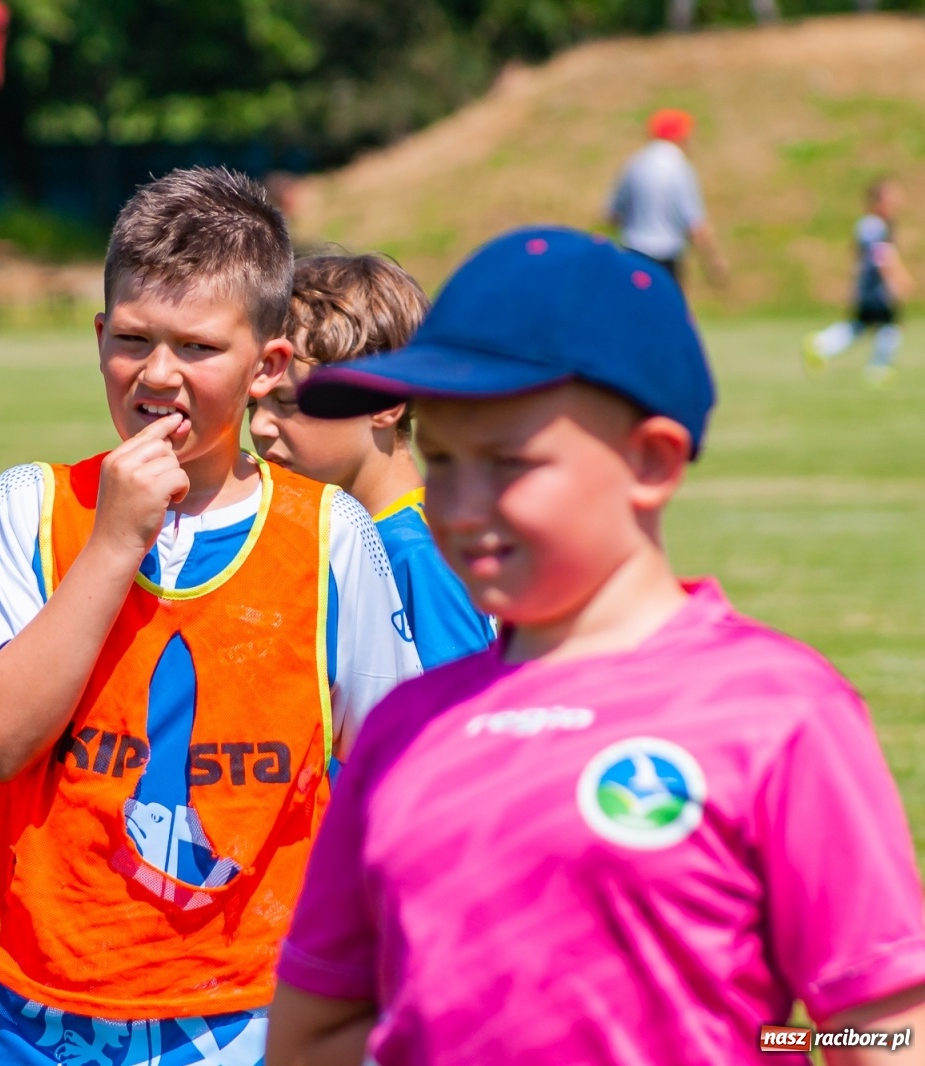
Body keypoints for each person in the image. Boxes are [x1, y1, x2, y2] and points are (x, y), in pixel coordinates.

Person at [267, 228, 925, 1066]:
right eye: (445, 461)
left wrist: (742, 1036)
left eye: (509, 463)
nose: (460, 505)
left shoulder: (781, 714)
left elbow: (883, 1031)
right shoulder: (403, 728)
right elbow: (318, 1029)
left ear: (651, 462)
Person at [0, 167, 419, 1066]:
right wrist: (112, 544)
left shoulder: (331, 537)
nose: (157, 374)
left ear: (267, 366)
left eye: (197, 348)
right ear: (99, 338)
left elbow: (393, 775)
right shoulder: (28, 508)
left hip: (244, 1013)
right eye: (132, 339)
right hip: (36, 1012)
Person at [249, 253, 492, 670]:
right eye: (253, 405)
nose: (260, 426)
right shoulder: (363, 535)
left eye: (288, 402)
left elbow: (460, 704)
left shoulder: (413, 554)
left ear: (383, 402)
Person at [804, 177, 914, 387]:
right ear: (878, 201)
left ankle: (822, 345)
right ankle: (879, 368)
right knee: (889, 324)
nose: (897, 202)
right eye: (891, 198)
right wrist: (897, 281)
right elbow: (882, 257)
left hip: (868, 287)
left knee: (861, 326)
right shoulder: (874, 225)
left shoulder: (870, 225)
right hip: (875, 289)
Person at [606, 108, 728, 289]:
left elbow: (612, 215)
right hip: (667, 258)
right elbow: (695, 224)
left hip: (633, 254)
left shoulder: (634, 164)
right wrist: (713, 260)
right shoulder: (679, 167)